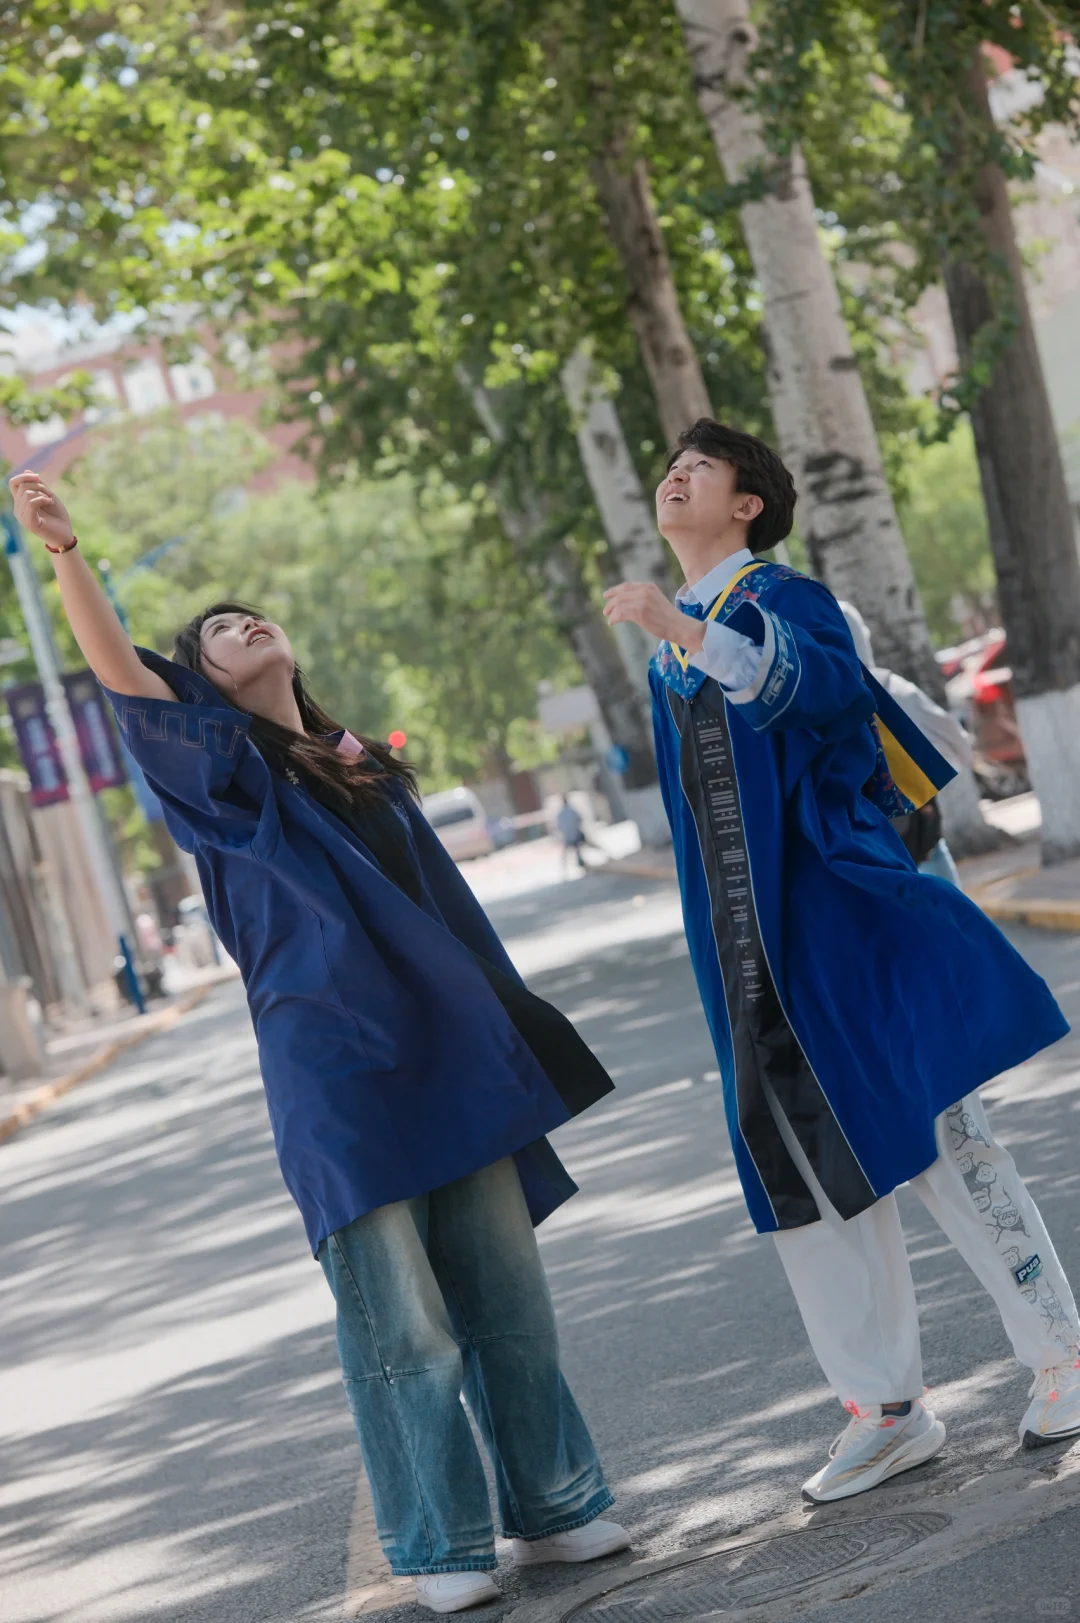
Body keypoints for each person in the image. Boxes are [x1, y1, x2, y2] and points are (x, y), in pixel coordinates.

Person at [10, 470, 630, 1613]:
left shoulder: (358, 762)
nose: (239, 622)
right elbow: (119, 674)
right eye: (211, 636)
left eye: (248, 612)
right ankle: (443, 1546)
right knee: (407, 1326)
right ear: (199, 688)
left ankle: (557, 1507)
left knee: (506, 1299)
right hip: (341, 1073)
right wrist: (67, 553)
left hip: (454, 1053)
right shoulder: (218, 775)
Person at [603, 420, 1080, 1504]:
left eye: (702, 469)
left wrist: (679, 624)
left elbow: (812, 694)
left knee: (941, 1138)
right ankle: (884, 1408)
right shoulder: (671, 653)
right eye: (669, 465)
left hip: (843, 926)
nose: (675, 475)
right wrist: (675, 634)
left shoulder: (785, 602)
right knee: (808, 1176)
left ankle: (1063, 1351)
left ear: (749, 507)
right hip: (746, 954)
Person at [838, 600, 969, 886]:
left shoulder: (818, 706)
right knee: (950, 922)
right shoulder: (890, 688)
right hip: (919, 836)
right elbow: (956, 743)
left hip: (865, 852)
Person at [554, 795, 588, 876]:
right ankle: (580, 862)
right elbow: (580, 819)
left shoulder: (560, 814)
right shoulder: (572, 811)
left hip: (567, 838)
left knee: (566, 853)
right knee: (577, 847)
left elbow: (558, 827)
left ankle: (564, 869)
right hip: (575, 836)